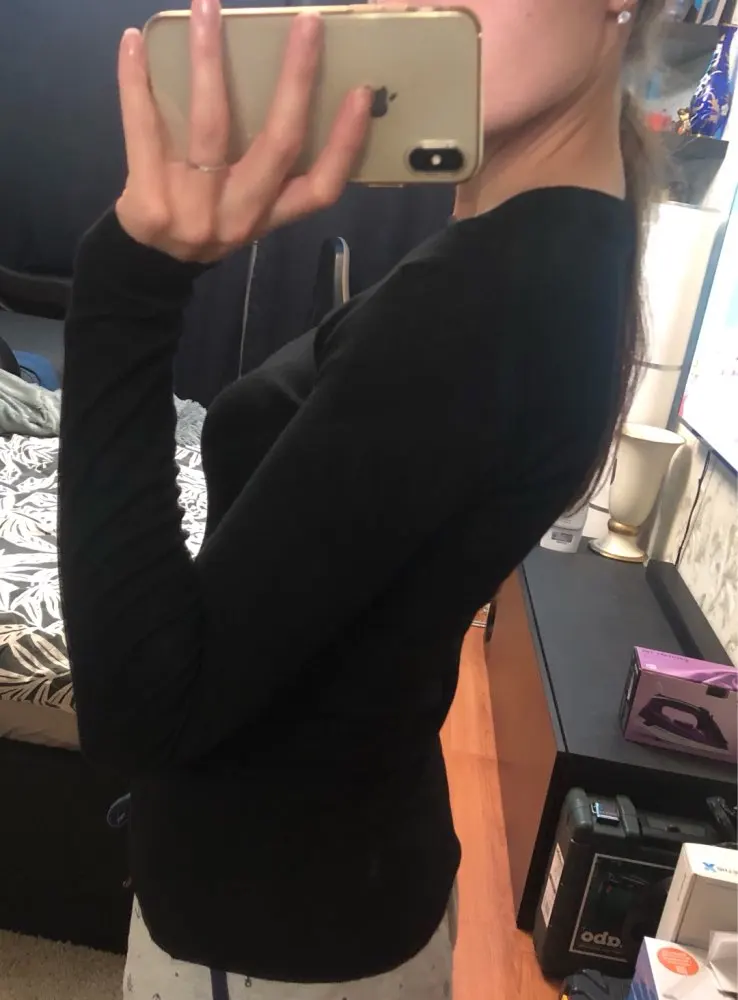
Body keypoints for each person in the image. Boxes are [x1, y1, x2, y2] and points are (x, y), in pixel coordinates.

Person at [58, 0, 664, 996]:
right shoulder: (549, 250)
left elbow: (141, 710)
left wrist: (127, 279)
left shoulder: (483, 302)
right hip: (338, 877)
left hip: (270, 934)